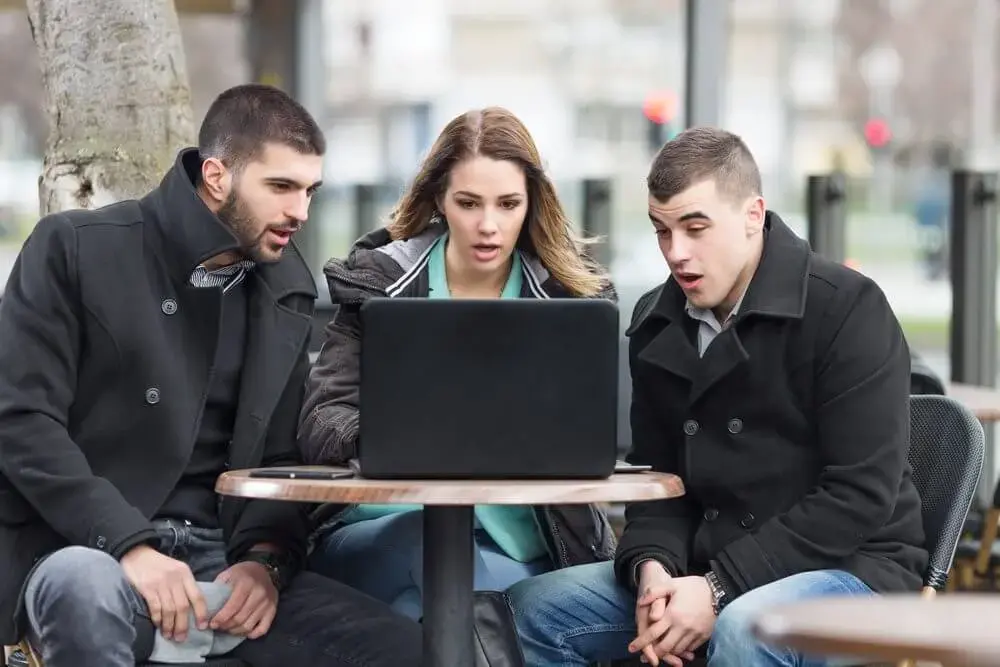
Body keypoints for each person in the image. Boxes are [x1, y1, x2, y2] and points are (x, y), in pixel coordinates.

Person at [0, 84, 421, 667]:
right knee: (84, 591)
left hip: (219, 560)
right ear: (217, 176)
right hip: (83, 546)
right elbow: (20, 422)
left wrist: (266, 561)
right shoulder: (74, 248)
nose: (300, 211)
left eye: (309, 190)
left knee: (404, 649)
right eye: (281, 187)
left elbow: (279, 461)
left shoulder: (286, 288)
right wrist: (129, 545)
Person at [506, 127, 928, 667]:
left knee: (744, 629)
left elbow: (858, 496)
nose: (676, 253)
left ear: (754, 215)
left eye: (695, 227)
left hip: (854, 569)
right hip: (706, 567)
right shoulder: (657, 323)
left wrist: (719, 589)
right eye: (662, 230)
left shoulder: (847, 309)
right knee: (534, 611)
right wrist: (651, 569)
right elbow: (662, 482)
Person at [297, 106, 618, 621]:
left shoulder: (567, 300)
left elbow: (586, 436)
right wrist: (395, 439)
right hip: (379, 530)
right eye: (469, 203)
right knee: (433, 554)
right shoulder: (379, 286)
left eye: (508, 204)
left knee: (421, 614)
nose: (488, 225)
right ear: (440, 201)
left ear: (532, 203)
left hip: (517, 548)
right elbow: (322, 418)